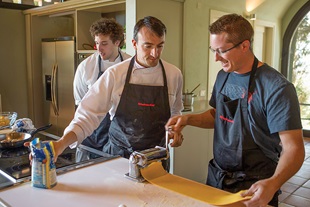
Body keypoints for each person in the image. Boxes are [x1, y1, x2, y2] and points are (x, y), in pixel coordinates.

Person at [165, 13, 305, 207]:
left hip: (254, 186)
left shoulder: (277, 88)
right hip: (217, 178)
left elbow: (294, 149)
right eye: (213, 50)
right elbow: (218, 116)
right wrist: (188, 119)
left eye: (221, 51)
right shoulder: (224, 76)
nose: (215, 58)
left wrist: (273, 183)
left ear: (244, 46)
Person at [38, 16, 183, 165]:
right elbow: (88, 115)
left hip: (156, 160)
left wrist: (175, 131)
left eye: (160, 46)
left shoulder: (174, 75)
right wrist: (61, 144)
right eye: (148, 46)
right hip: (120, 159)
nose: (155, 53)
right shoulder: (115, 74)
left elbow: (175, 112)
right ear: (134, 44)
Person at [73, 18, 130, 160]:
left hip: (120, 138)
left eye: (104, 43)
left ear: (117, 42)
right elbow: (80, 103)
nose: (99, 48)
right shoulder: (86, 67)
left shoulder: (130, 65)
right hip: (92, 135)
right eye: (97, 43)